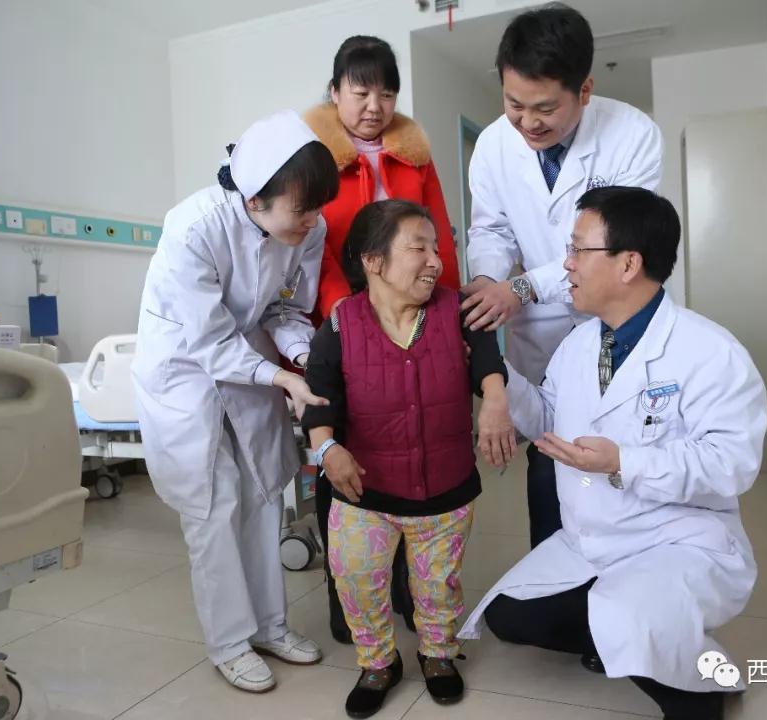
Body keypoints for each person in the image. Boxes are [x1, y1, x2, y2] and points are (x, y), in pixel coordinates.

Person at [459, 186, 767, 720]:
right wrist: (495, 377)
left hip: (677, 540)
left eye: (579, 250)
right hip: (594, 540)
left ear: (628, 264)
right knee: (509, 617)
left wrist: (623, 462)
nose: (567, 264)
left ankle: (702, 686)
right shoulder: (580, 345)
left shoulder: (710, 352)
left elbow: (731, 464)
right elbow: (549, 419)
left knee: (628, 618)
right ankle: (641, 632)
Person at [131, 110, 340, 694]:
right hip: (183, 368)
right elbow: (209, 339)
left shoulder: (308, 229)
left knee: (263, 493)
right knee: (214, 502)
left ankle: (270, 626)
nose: (313, 221)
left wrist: (303, 359)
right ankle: (228, 642)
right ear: (254, 199)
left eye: (317, 207)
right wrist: (278, 378)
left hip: (250, 360)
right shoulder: (194, 227)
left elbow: (285, 308)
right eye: (302, 210)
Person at [460, 2, 664, 549]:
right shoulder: (494, 146)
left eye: (545, 107)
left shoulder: (632, 135)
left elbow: (614, 244)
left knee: (618, 466)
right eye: (514, 104)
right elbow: (491, 229)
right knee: (550, 465)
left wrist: (521, 287)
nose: (528, 122)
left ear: (585, 89)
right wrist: (487, 282)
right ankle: (555, 579)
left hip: (615, 321)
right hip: (541, 333)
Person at [302, 200, 515, 718]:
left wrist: (495, 401)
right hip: (364, 491)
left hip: (445, 487)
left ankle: (437, 654)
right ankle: (378, 663)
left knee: (438, 585)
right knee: (357, 580)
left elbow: (487, 362)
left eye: (437, 248)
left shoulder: (457, 311)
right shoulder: (340, 324)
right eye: (419, 248)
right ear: (373, 261)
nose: (435, 262)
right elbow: (319, 399)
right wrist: (328, 450)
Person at [303, 35, 462, 644]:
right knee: (342, 451)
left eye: (387, 93)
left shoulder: (414, 156)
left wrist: (446, 315)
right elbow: (312, 248)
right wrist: (340, 318)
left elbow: (437, 241)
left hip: (411, 317)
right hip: (342, 318)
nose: (375, 105)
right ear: (335, 91)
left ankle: (407, 590)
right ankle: (349, 602)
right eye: (361, 91)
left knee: (407, 442)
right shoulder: (314, 155)